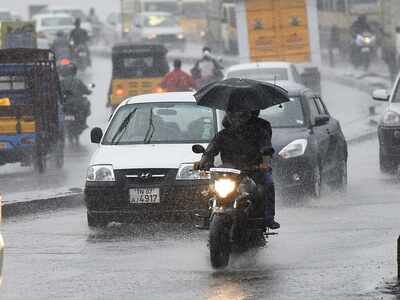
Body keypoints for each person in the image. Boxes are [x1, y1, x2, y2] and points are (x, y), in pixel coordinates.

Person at [194, 108, 280, 230]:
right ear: (229, 118)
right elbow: (210, 150)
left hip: (253, 171)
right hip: (230, 173)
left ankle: (268, 218)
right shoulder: (222, 135)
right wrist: (202, 161)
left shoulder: (259, 132)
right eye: (233, 116)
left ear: (249, 117)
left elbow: (266, 149)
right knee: (207, 190)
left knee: (267, 184)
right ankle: (206, 216)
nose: (238, 120)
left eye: (242, 116)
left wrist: (264, 163)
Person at [59, 63, 91, 146]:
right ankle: (83, 123)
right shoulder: (78, 81)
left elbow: (58, 93)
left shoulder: (61, 82)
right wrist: (88, 91)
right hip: (77, 104)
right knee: (86, 105)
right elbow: (86, 90)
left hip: (66, 105)